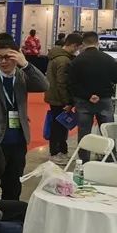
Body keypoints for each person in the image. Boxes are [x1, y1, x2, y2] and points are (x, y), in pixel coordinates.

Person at [0, 38, 48, 201]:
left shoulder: (23, 76)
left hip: (18, 139)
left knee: (14, 184)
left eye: (8, 57)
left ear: (17, 56)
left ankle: (11, 212)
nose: (3, 61)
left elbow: (44, 86)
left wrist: (26, 65)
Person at [68, 31, 117, 156]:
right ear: (98, 43)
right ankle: (109, 158)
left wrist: (88, 95)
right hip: (104, 99)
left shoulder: (77, 61)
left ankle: (83, 160)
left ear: (83, 44)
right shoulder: (108, 59)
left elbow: (71, 83)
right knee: (108, 131)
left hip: (83, 100)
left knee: (84, 133)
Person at [44, 32, 82, 164]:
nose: (77, 51)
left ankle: (59, 151)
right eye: (77, 48)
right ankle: (57, 152)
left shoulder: (55, 56)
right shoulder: (64, 60)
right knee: (59, 127)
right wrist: (67, 102)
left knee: (58, 125)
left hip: (54, 96)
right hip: (59, 99)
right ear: (73, 45)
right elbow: (62, 83)